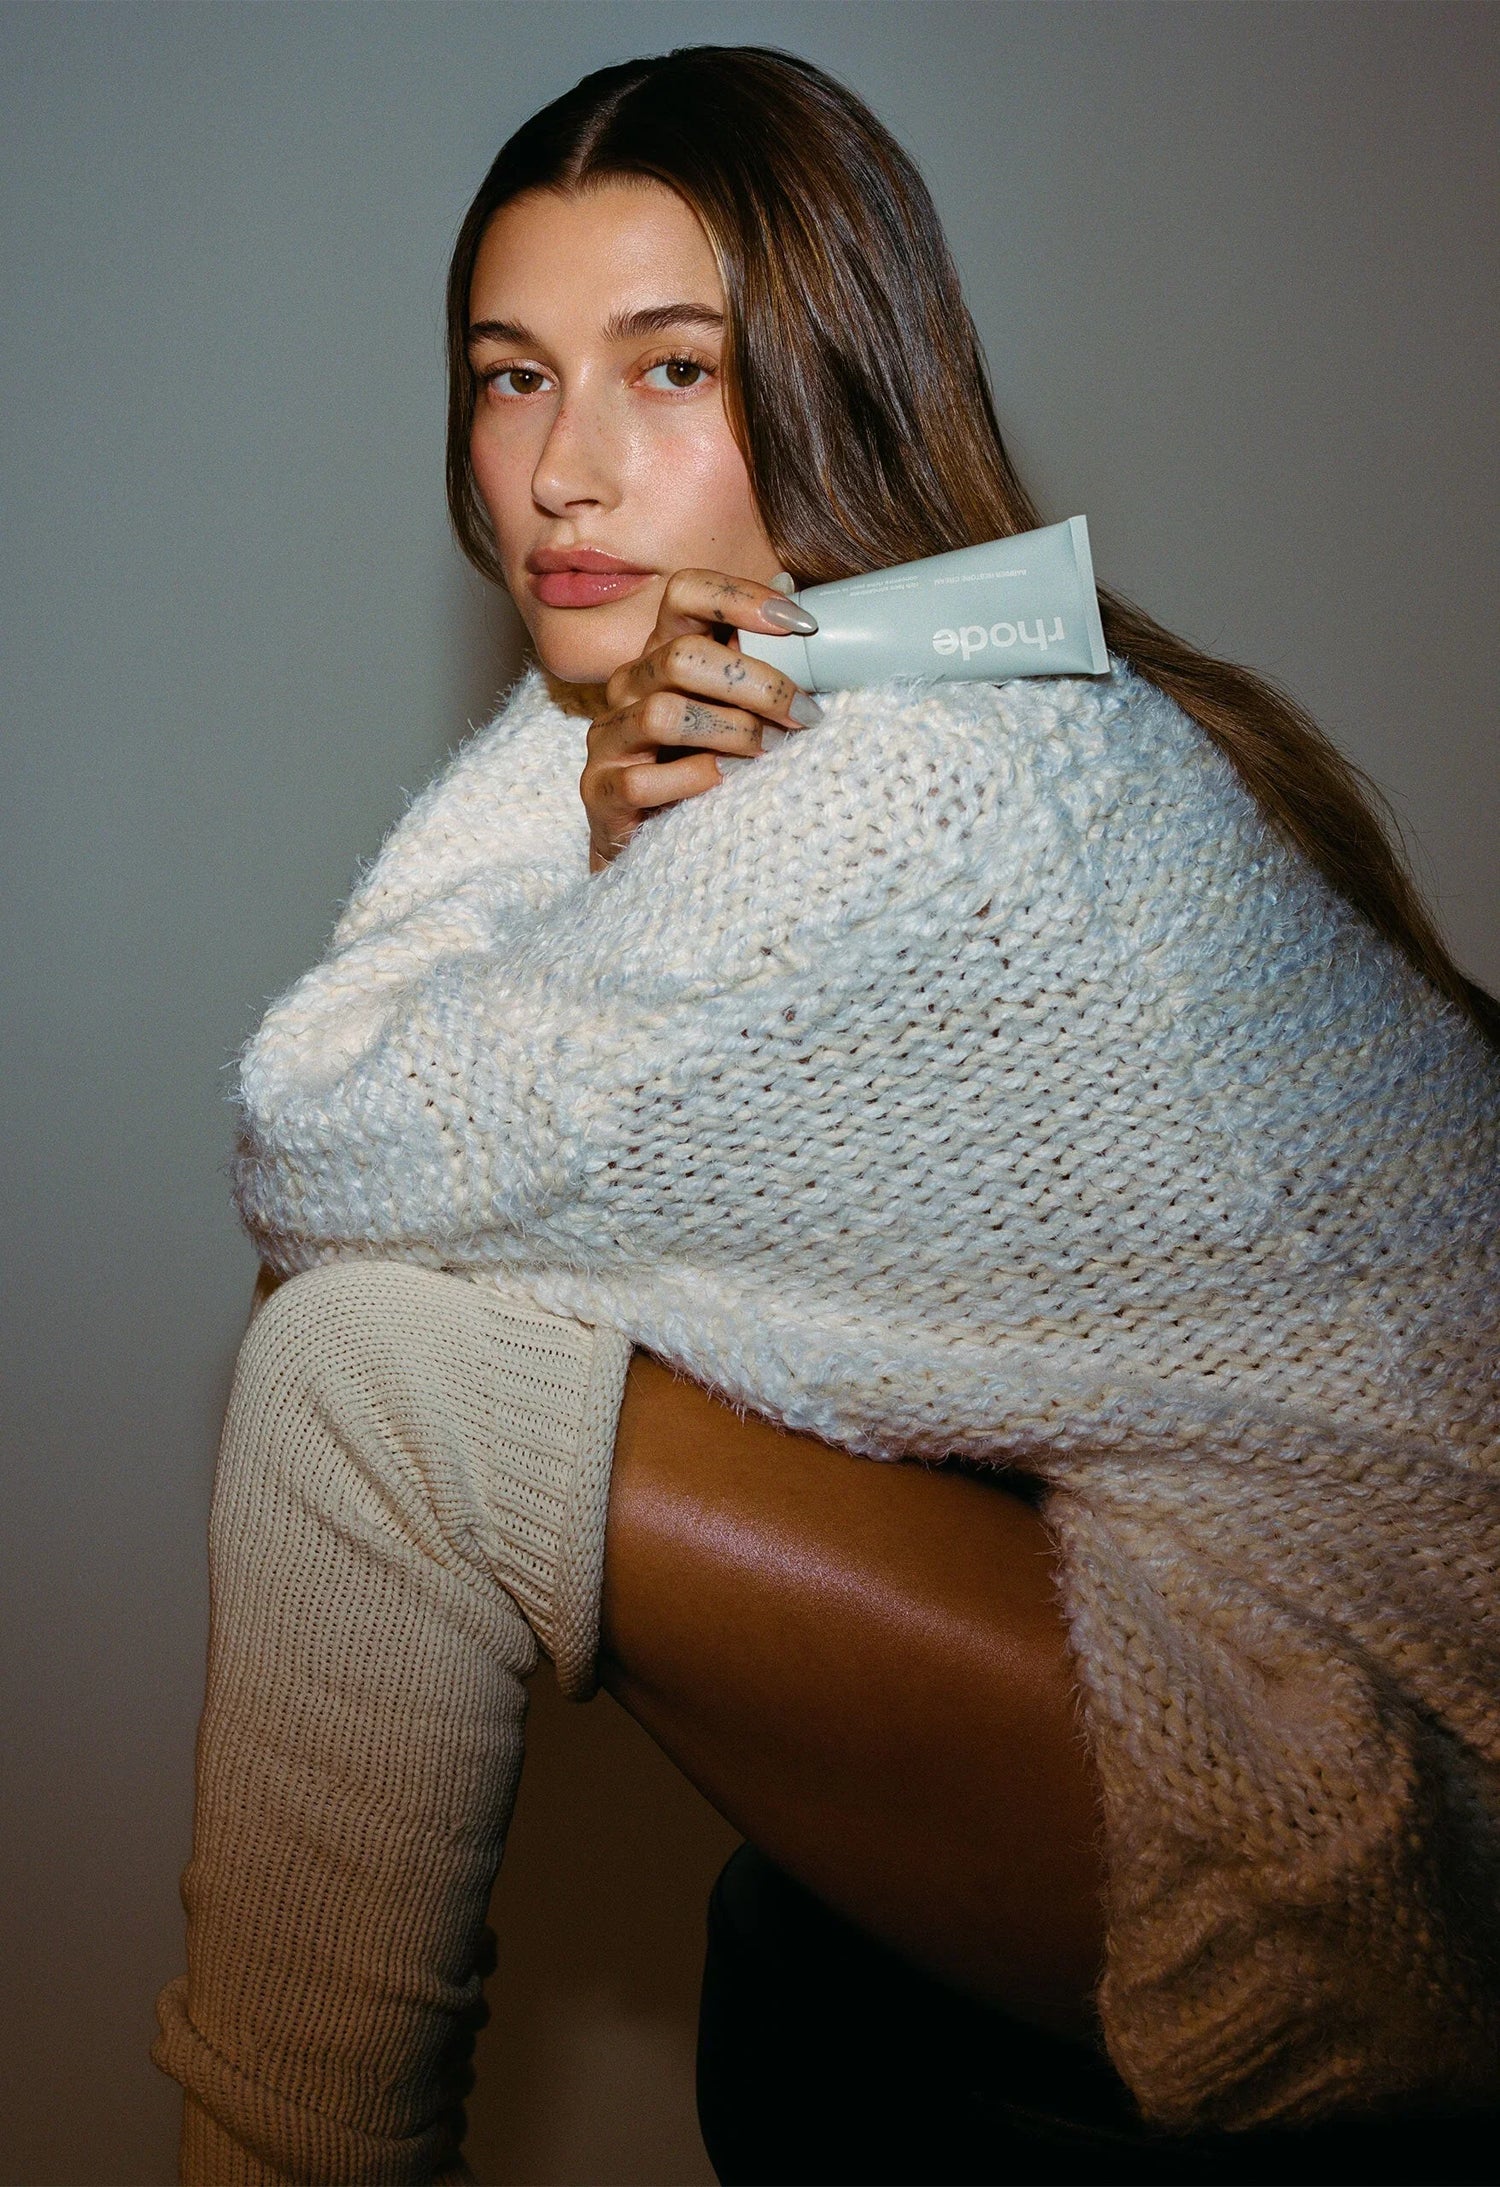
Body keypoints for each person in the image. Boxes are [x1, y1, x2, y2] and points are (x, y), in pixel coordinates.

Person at [152, 45, 1499, 2186]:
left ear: (837, 382)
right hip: (1332, 1658)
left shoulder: (907, 800)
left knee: (358, 1386)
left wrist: (568, 800)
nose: (562, 473)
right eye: (511, 379)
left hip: (1412, 1795)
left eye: (666, 370)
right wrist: (606, 785)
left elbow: (311, 1141)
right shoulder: (928, 692)